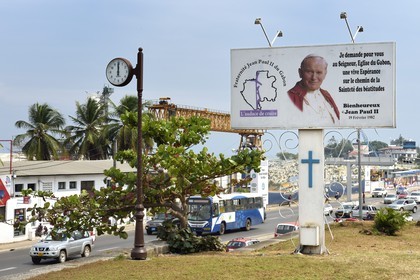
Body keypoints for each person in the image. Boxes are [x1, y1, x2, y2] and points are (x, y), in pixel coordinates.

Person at [287, 54, 340, 123]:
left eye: (319, 72)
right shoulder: (290, 96)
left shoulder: (326, 95)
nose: (314, 77)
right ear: (300, 73)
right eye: (309, 72)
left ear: (325, 74)